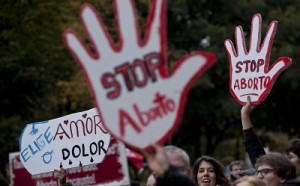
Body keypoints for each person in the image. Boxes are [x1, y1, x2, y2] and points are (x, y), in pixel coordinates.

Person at [241, 97, 300, 179]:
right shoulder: (277, 181)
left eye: (290, 157)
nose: (285, 162)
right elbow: (256, 152)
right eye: (285, 157)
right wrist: (245, 115)